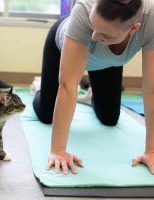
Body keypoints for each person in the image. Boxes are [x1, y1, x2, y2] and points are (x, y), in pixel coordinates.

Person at [33, 0, 154, 175]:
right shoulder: (83, 11)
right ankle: (41, 87)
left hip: (109, 62)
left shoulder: (151, 20)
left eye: (105, 34)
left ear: (133, 29)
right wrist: (58, 151)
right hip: (63, 45)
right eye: (93, 26)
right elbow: (68, 86)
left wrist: (151, 151)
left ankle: (89, 96)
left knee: (109, 119)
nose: (94, 37)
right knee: (47, 115)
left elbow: (151, 90)